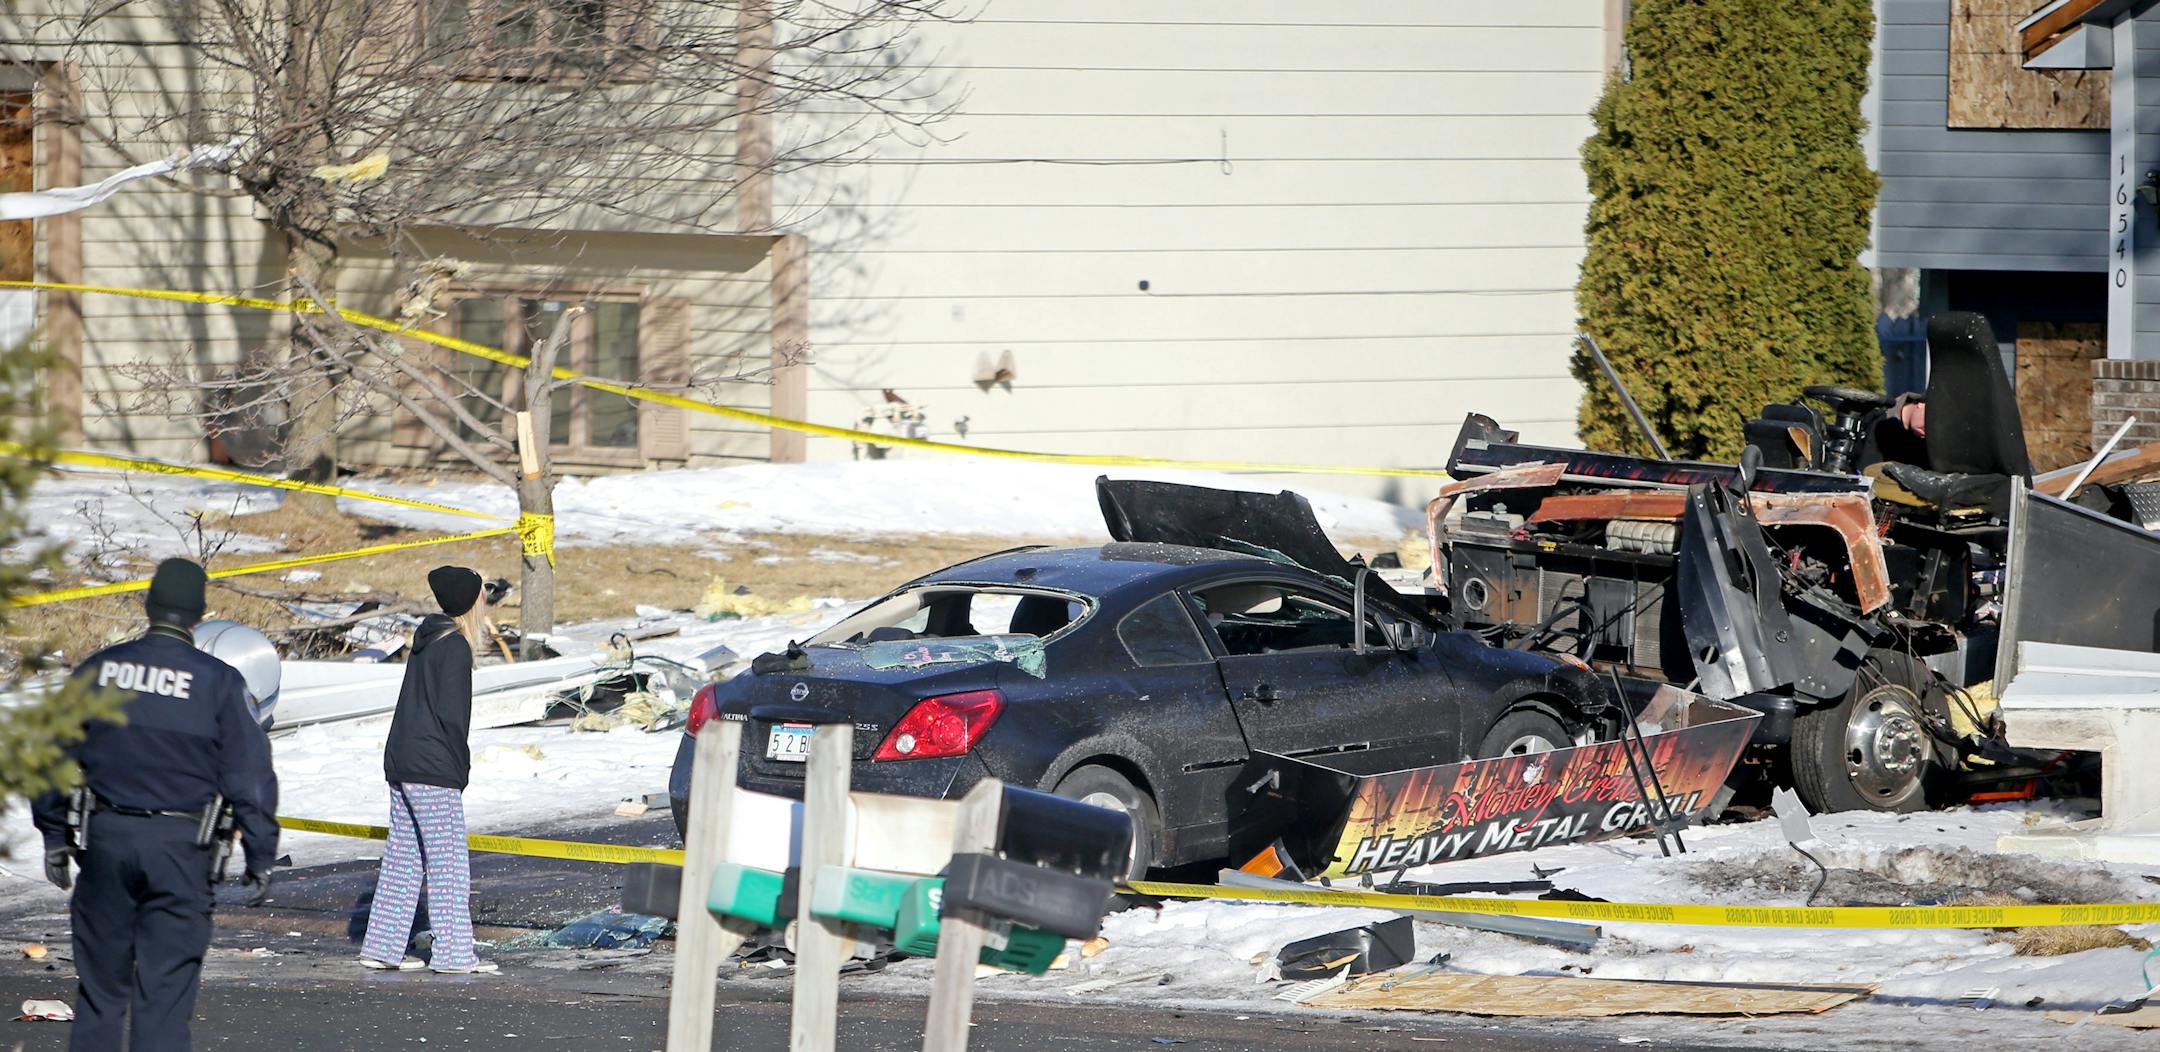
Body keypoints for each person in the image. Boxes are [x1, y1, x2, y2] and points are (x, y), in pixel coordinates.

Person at [30, 558, 279, 1052]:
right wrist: (260, 853)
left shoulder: (101, 670)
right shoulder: (219, 682)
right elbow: (249, 777)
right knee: (163, 999)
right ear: (199, 613)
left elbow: (50, 756)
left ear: (148, 604)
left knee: (100, 996)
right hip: (181, 851)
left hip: (106, 844)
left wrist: (56, 837)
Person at [358, 565, 496, 974]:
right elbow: (453, 717)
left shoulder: (427, 637)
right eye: (482, 594)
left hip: (402, 759)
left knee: (405, 856)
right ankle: (454, 954)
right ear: (471, 602)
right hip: (432, 766)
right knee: (448, 861)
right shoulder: (454, 646)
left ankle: (382, 947)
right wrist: (460, 767)